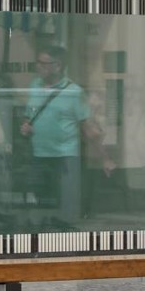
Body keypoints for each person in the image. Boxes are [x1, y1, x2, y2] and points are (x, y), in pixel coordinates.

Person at [20, 48, 90, 224]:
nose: (39, 67)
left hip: (64, 154)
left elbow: (86, 124)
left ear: (57, 66)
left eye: (43, 63)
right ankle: (44, 227)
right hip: (39, 152)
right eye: (38, 62)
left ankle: (64, 227)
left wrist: (103, 157)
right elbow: (29, 114)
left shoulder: (74, 91)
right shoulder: (35, 85)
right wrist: (26, 125)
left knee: (65, 197)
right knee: (41, 195)